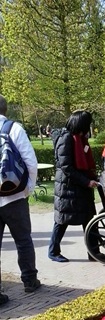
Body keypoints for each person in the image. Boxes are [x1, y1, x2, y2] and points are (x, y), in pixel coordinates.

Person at [0, 95, 41, 304]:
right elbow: (30, 162)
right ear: (6, 109)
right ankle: (29, 281)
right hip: (14, 195)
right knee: (23, 240)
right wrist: (27, 190)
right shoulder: (13, 129)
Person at [48, 110, 98, 263]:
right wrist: (86, 181)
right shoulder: (66, 139)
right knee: (62, 220)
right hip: (68, 186)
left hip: (79, 186)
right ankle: (53, 251)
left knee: (89, 220)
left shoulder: (80, 138)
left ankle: (94, 252)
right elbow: (66, 167)